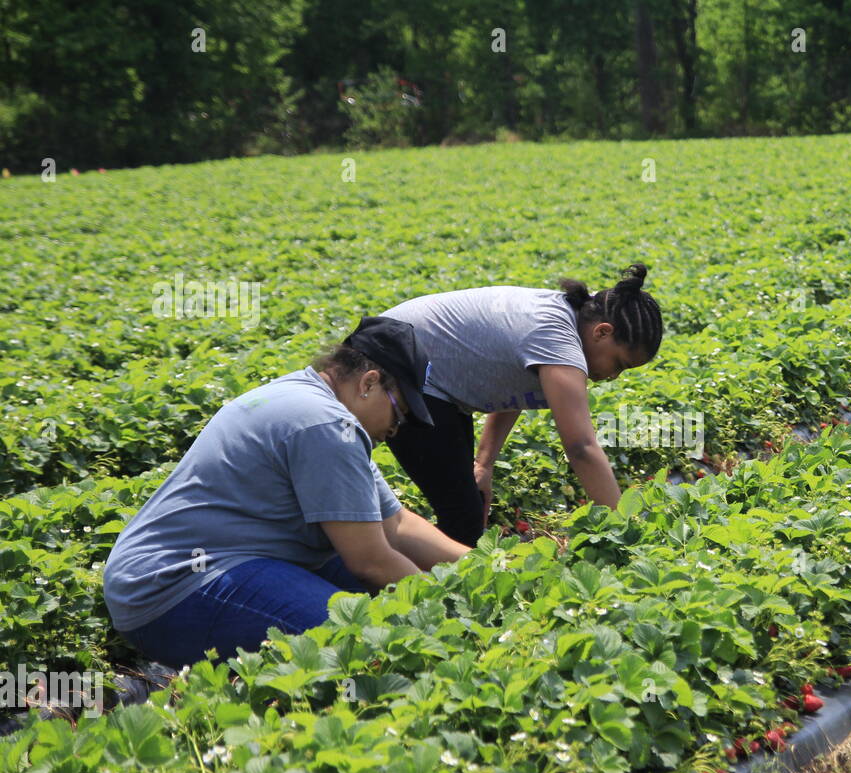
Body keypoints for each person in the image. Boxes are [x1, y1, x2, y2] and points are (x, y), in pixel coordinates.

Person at [102, 321, 471, 670]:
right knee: (357, 644)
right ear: (369, 383)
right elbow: (371, 562)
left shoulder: (311, 404)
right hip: (175, 587)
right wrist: (448, 626)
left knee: (374, 600)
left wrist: (491, 570)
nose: (396, 429)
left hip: (209, 567)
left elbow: (397, 525)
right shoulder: (325, 423)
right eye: (399, 411)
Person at [374, 262, 664, 547]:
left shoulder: (562, 319)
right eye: (619, 364)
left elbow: (511, 384)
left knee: (467, 510)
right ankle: (403, 577)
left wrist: (484, 463)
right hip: (398, 365)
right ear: (602, 332)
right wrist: (624, 532)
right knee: (462, 518)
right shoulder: (557, 339)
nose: (613, 376)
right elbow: (581, 448)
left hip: (421, 373)